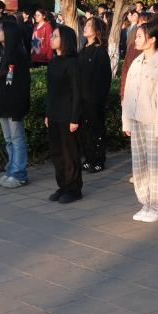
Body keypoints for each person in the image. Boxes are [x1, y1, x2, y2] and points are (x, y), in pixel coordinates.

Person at [123, 21, 158, 222]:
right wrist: (126, 120)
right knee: (139, 166)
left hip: (154, 123)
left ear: (152, 39)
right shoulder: (137, 62)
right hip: (136, 120)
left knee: (156, 167)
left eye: (139, 36)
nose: (135, 39)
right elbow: (128, 94)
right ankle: (146, 204)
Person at [0, 19, 31, 188]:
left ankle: (19, 174)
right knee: (8, 139)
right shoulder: (0, 52)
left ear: (10, 33)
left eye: (0, 29)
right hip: (2, 103)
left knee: (16, 138)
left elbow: (14, 82)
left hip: (13, 104)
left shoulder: (17, 55)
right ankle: (11, 170)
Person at [45, 24, 83, 203]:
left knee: (70, 154)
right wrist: (47, 114)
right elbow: (50, 91)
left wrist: (75, 118)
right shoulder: (53, 62)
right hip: (54, 114)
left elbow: (77, 92)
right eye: (52, 36)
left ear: (65, 40)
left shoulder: (73, 63)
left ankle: (74, 189)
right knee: (57, 153)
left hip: (68, 115)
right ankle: (62, 186)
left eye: (55, 36)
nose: (51, 39)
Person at [79, 17, 112, 174]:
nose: (85, 27)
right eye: (85, 24)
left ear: (97, 30)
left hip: (94, 99)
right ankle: (88, 158)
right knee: (85, 130)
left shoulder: (100, 51)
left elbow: (104, 79)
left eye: (89, 25)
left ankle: (98, 160)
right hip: (82, 98)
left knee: (96, 129)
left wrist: (98, 100)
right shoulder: (83, 49)